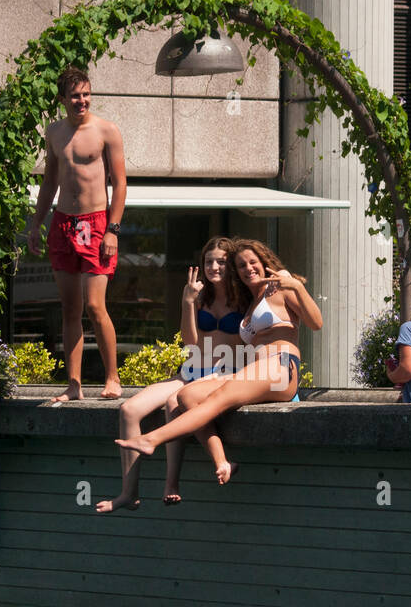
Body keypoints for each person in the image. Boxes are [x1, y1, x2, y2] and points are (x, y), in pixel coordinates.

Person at [114, 239, 322, 474]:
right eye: (241, 265)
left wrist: (296, 285)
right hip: (255, 371)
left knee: (219, 397)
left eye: (253, 262)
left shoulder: (281, 288)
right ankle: (222, 462)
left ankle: (151, 439)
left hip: (282, 365)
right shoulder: (250, 303)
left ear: (264, 263)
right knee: (187, 396)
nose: (248, 268)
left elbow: (316, 323)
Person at [96, 238, 243, 512]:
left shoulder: (242, 298)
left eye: (221, 261)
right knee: (129, 409)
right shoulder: (199, 295)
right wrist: (188, 301)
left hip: (225, 373)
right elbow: (189, 342)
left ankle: (171, 484)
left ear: (231, 265)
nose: (214, 267)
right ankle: (128, 493)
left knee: (174, 402)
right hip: (192, 370)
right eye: (209, 261)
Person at [27, 66, 127, 402]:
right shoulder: (54, 132)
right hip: (62, 223)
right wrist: (37, 222)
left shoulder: (106, 131)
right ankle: (74, 384)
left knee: (96, 306)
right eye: (74, 95)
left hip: (96, 223)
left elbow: (121, 183)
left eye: (85, 94)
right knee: (70, 309)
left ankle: (112, 378)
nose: (81, 100)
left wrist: (112, 229)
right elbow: (50, 181)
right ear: (62, 99)